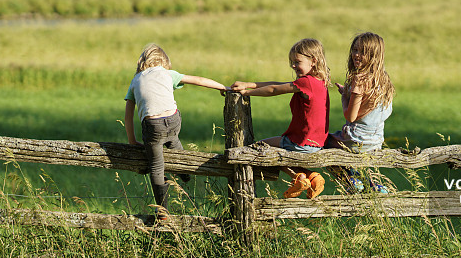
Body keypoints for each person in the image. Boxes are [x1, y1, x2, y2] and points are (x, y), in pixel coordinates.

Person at [124, 43, 227, 220]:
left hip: (152, 126)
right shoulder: (167, 73)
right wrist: (221, 87)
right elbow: (198, 80)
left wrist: (132, 141)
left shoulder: (136, 80)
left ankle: (162, 211)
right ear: (164, 62)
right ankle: (184, 172)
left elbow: (128, 116)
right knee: (173, 139)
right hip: (173, 119)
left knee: (156, 165)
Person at [231, 38, 330, 199]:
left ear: (313, 61)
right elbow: (278, 84)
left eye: (297, 62)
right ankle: (313, 177)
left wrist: (247, 92)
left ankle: (298, 177)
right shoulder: (319, 82)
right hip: (317, 143)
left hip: (300, 141)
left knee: (258, 147)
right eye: (292, 62)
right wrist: (249, 84)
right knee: (275, 148)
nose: (293, 66)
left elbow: (274, 89)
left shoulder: (306, 83)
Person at [326, 32, 395, 193]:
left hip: (356, 139)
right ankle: (373, 185)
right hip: (375, 141)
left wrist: (344, 97)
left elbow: (350, 116)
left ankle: (350, 179)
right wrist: (349, 94)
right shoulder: (383, 81)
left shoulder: (360, 80)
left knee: (322, 144)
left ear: (373, 56)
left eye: (363, 52)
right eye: (355, 50)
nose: (356, 55)